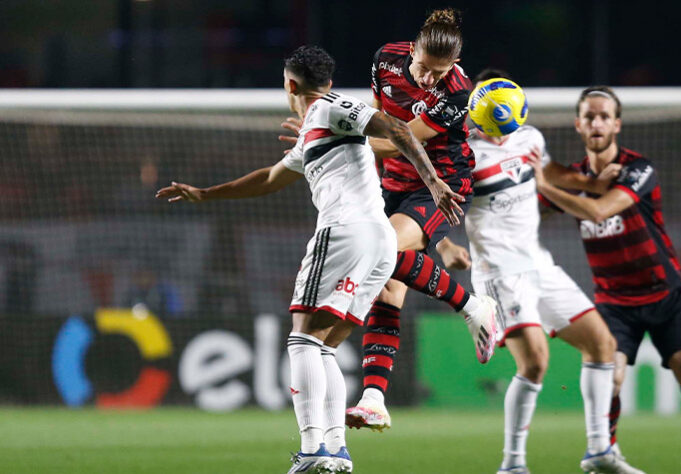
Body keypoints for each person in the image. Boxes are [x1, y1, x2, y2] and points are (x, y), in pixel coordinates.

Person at [156, 45, 464, 473]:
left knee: (301, 338)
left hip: (345, 231)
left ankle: (312, 448)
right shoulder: (316, 128)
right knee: (322, 346)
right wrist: (206, 194)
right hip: (377, 241)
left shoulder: (329, 107)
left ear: (290, 85)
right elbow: (268, 178)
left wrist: (432, 183)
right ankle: (336, 450)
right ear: (328, 81)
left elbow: (395, 126)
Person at [297, 8, 496, 432]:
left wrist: (323, 137)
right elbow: (377, 115)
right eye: (424, 68)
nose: (428, 80)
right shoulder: (385, 58)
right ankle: (373, 399)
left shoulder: (458, 94)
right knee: (385, 288)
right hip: (393, 185)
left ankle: (473, 305)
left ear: (454, 68)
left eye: (440, 73)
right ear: (412, 49)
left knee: (380, 250)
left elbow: (398, 142)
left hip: (440, 183)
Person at [437, 70, 645, 474]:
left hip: (539, 265)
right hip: (498, 273)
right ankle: (512, 465)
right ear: (476, 117)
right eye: (492, 128)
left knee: (602, 345)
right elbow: (432, 208)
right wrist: (445, 246)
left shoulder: (530, 137)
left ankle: (600, 452)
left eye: (506, 128)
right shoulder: (464, 155)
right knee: (535, 362)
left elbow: (548, 176)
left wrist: (592, 183)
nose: (501, 137)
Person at [533, 86, 681, 474]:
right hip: (615, 302)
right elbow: (528, 213)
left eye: (604, 116)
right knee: (610, 375)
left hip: (666, 294)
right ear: (578, 125)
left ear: (617, 124)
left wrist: (546, 183)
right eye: (589, 116)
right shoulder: (573, 178)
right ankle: (606, 456)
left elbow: (600, 211)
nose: (597, 122)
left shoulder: (640, 169)